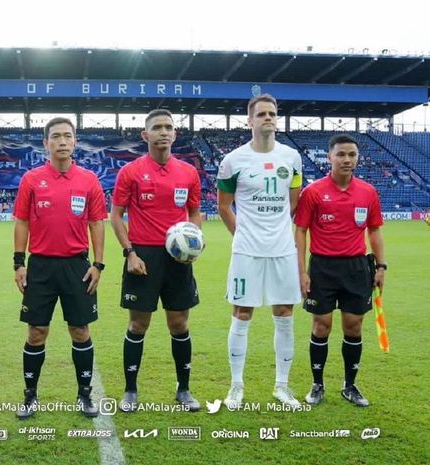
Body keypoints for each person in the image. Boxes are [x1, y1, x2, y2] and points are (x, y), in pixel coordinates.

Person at [12, 117, 106, 419]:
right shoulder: (31, 179)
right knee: (36, 331)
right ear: (46, 143)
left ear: (75, 141)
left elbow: (96, 223)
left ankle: (84, 394)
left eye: (68, 136)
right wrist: (19, 262)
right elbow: (22, 221)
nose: (62, 141)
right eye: (56, 136)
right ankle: (30, 395)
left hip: (77, 266)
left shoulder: (89, 180)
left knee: (80, 330)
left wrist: (98, 264)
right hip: (40, 266)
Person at [111, 109, 202, 413]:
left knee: (179, 324)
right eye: (157, 128)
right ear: (145, 135)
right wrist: (130, 253)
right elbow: (116, 216)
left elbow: (194, 212)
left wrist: (194, 245)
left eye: (168, 127)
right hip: (143, 258)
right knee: (138, 325)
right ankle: (130, 391)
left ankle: (184, 390)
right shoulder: (131, 172)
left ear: (175, 134)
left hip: (177, 260)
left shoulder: (188, 172)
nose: (163, 132)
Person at [216, 94, 303, 408]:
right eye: (262, 114)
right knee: (242, 314)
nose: (268, 118)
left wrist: (273, 230)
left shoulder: (292, 158)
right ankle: (236, 386)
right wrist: (244, 235)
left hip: (282, 249)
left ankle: (282, 386)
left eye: (272, 113)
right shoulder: (233, 161)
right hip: (247, 251)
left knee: (285, 314)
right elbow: (224, 207)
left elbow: (293, 202)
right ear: (249, 121)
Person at [295, 134, 385, 407]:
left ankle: (350, 385)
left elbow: (375, 230)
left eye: (352, 155)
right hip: (322, 267)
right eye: (341, 154)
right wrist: (302, 271)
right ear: (330, 157)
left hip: (357, 267)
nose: (347, 159)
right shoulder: (313, 192)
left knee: (353, 326)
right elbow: (300, 231)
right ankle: (317, 385)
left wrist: (381, 266)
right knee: (321, 326)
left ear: (357, 158)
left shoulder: (368, 192)